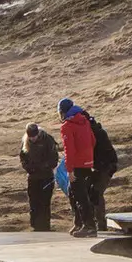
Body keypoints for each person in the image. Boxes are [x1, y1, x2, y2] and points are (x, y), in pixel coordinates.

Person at [57, 98, 99, 237]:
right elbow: (93, 140)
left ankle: (89, 226)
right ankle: (80, 223)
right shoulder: (84, 121)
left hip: (77, 165)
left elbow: (69, 150)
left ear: (63, 112)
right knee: (75, 192)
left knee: (80, 196)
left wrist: (69, 170)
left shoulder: (67, 126)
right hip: (88, 163)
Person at [19, 122, 61, 231]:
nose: (32, 139)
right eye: (30, 137)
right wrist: (28, 168)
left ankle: (45, 227)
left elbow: (54, 160)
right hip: (33, 177)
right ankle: (35, 226)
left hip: (46, 177)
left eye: (34, 136)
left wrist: (42, 167)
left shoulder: (48, 140)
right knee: (33, 202)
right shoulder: (25, 141)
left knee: (44, 203)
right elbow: (23, 158)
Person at [85, 109, 118, 233]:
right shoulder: (95, 131)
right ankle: (96, 223)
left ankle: (101, 225)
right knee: (92, 192)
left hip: (105, 166)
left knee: (96, 193)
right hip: (100, 166)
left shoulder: (95, 133)